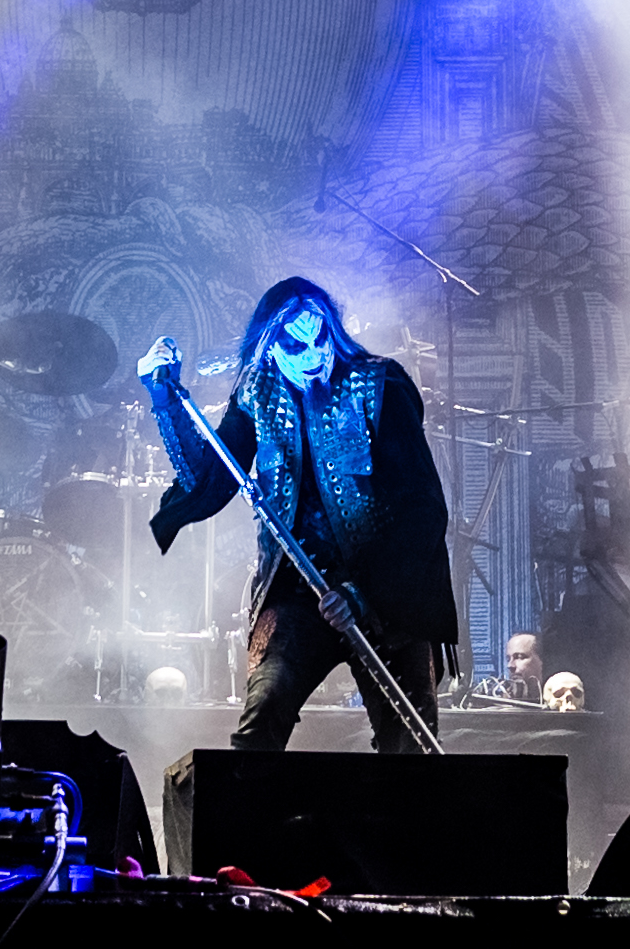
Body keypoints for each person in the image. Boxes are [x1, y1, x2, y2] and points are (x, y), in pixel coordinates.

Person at [139, 278, 457, 754]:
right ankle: (245, 823)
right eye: (294, 343)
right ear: (269, 343)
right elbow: (208, 483)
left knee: (409, 748)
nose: (312, 354)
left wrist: (362, 593)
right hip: (297, 592)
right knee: (261, 721)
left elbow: (421, 508)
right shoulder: (257, 394)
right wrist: (165, 398)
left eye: (320, 338)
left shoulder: (380, 384)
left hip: (387, 594)